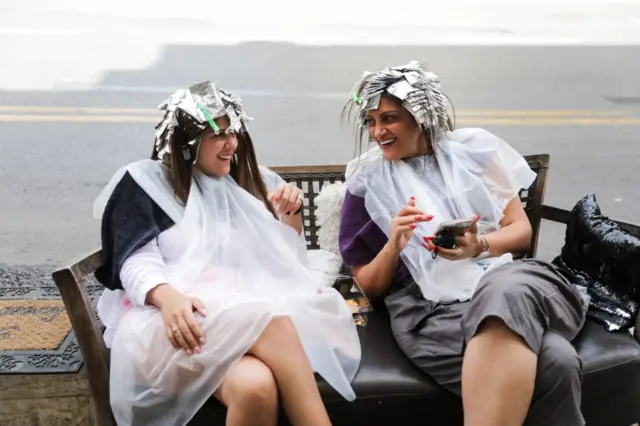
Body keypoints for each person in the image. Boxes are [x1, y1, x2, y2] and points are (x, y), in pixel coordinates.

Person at [93, 81, 361, 426]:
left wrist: (288, 214)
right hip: (171, 322)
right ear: (187, 143)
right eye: (217, 135)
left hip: (230, 319)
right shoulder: (148, 184)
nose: (230, 144)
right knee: (274, 323)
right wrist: (166, 296)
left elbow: (285, 261)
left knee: (255, 387)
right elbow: (133, 259)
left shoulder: (245, 183)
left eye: (232, 131)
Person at [338, 61, 587, 426]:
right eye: (371, 122)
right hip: (432, 312)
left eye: (389, 118)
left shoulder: (475, 153)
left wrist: (479, 246)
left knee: (503, 289)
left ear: (421, 116)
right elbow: (367, 286)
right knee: (557, 361)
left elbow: (519, 230)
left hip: (507, 281)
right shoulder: (367, 182)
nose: (377, 131)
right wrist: (394, 243)